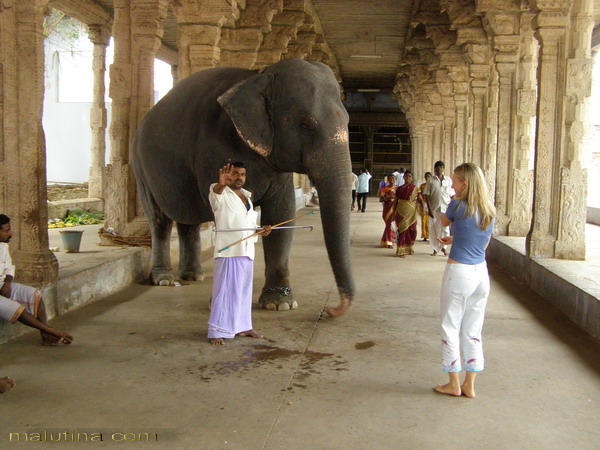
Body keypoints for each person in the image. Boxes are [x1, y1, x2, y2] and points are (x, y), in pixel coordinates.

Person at [433, 163, 496, 399]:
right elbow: (482, 242)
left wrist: (442, 204)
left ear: (465, 184)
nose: (452, 185)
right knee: (473, 329)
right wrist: (456, 240)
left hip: (459, 272)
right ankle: (470, 384)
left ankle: (453, 383)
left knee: (450, 326)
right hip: (481, 273)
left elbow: (445, 220)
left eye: (455, 181)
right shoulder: (489, 209)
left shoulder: (457, 204)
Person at [208, 163, 272, 346]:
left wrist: (261, 230)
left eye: (242, 174)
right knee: (224, 292)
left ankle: (243, 326)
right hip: (228, 250)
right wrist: (221, 184)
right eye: (235, 173)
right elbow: (216, 193)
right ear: (227, 174)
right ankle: (216, 330)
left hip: (246, 250)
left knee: (243, 291)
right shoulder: (219, 192)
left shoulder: (247, 196)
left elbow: (248, 224)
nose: (239, 177)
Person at [0, 215, 73, 345]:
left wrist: (7, 283)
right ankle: (52, 331)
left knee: (35, 294)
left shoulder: (3, 245)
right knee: (18, 309)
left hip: (2, 284)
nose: (10, 233)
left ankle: (46, 335)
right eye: (6, 230)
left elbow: (9, 268)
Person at [423, 161, 454, 256]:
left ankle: (444, 248)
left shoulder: (448, 180)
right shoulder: (431, 181)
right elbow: (427, 196)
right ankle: (435, 249)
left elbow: (452, 195)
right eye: (437, 168)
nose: (439, 169)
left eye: (441, 167)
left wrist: (453, 207)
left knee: (445, 229)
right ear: (434, 169)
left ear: (444, 169)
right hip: (434, 209)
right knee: (434, 229)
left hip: (446, 208)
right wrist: (429, 209)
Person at [392, 171, 422, 257]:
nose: (408, 178)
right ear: (403, 178)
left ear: (412, 178)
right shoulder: (399, 188)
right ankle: (400, 250)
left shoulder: (415, 188)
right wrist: (393, 212)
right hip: (401, 211)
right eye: (406, 176)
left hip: (411, 212)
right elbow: (395, 201)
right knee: (402, 230)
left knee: (412, 230)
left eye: (410, 176)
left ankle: (408, 248)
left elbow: (420, 199)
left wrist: (423, 208)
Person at [379, 175, 397, 248]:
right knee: (388, 225)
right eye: (390, 179)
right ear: (388, 180)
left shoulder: (397, 188)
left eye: (393, 178)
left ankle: (386, 241)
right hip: (387, 208)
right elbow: (381, 199)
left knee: (391, 226)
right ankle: (388, 242)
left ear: (395, 179)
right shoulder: (384, 189)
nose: (392, 180)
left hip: (395, 208)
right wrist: (387, 197)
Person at [419, 172, 432, 241]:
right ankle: (424, 235)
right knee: (424, 221)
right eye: (426, 177)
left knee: (431, 221)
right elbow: (419, 194)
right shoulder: (422, 186)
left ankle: (430, 235)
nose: (427, 178)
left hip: (431, 204)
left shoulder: (433, 185)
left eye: (429, 176)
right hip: (424, 204)